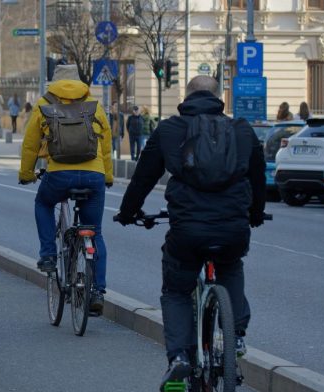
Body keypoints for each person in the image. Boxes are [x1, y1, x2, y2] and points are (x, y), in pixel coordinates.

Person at [113, 76, 266, 390]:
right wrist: (255, 214)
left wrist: (128, 213)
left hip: (187, 231)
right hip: (232, 228)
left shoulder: (169, 130)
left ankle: (180, 358)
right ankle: (235, 335)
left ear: (187, 96)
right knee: (230, 265)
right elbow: (258, 178)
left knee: (177, 290)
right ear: (218, 96)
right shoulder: (241, 130)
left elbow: (143, 178)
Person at [18, 64, 113, 313]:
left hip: (59, 174)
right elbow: (105, 142)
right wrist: (108, 176)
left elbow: (30, 144)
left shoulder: (44, 103)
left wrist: (26, 174)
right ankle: (98, 292)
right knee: (95, 232)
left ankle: (48, 254)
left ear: (54, 81)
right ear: (79, 81)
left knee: (43, 203)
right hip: (94, 175)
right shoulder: (94, 103)